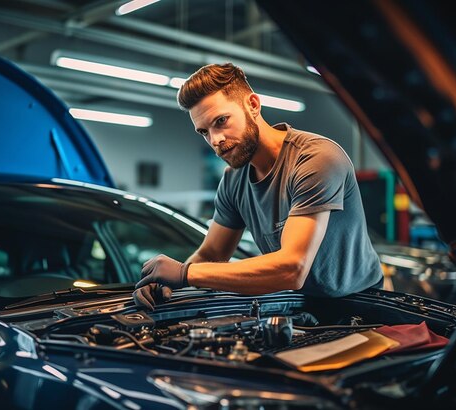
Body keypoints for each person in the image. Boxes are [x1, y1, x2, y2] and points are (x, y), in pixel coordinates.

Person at [133, 63, 383, 310]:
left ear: (252, 105)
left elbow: (292, 268)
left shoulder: (316, 158)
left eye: (221, 121)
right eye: (204, 132)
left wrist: (185, 273)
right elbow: (211, 254)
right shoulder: (233, 180)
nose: (215, 140)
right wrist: (167, 284)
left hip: (360, 306)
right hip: (298, 304)